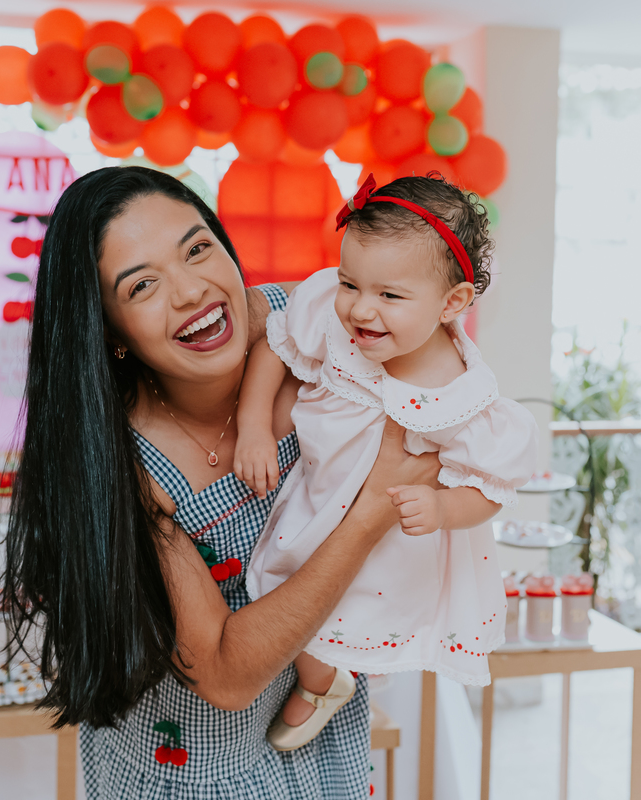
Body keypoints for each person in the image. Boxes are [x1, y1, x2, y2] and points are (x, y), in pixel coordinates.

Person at [2, 166, 449, 798]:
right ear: (110, 332)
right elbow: (225, 676)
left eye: (197, 248)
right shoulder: (126, 464)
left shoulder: (307, 327)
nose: (190, 291)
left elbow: (420, 309)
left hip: (319, 740)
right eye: (142, 286)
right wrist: (372, 511)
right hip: (193, 773)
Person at [234, 174, 539, 751]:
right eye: (351, 283)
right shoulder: (332, 317)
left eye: (390, 296)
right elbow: (275, 350)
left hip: (387, 541)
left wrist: (445, 507)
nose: (361, 310)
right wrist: (253, 428)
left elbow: (489, 484)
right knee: (290, 597)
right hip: (317, 502)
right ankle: (324, 684)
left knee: (341, 622)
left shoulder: (460, 392)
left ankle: (322, 686)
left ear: (453, 303)